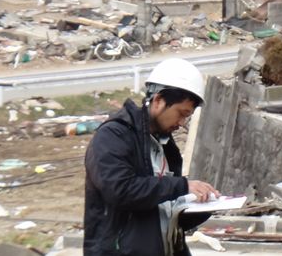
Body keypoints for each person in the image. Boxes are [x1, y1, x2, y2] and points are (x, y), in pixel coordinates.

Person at [84, 58, 218, 255]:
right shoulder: (113, 136)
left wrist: (203, 207)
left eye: (187, 117)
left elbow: (163, 210)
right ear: (158, 101)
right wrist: (182, 185)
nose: (182, 123)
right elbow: (121, 190)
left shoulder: (165, 146)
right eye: (180, 113)